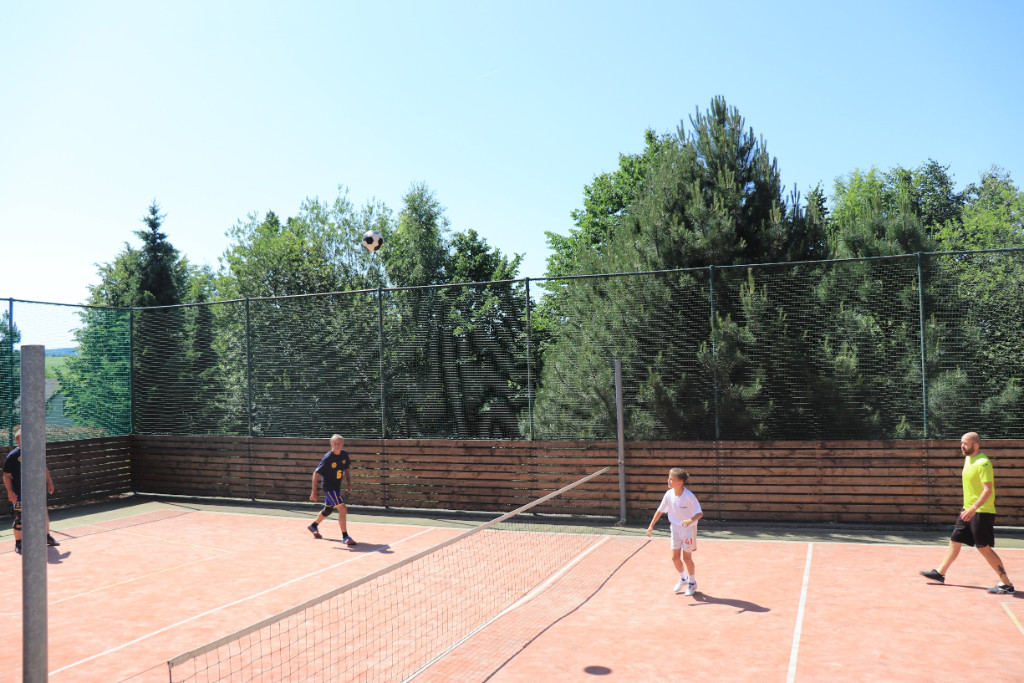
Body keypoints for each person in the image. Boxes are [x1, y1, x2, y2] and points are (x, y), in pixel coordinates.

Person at [920, 431, 1014, 594]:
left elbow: (987, 490)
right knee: (955, 540)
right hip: (967, 510)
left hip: (981, 511)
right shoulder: (968, 459)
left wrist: (973, 508)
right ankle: (940, 573)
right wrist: (968, 508)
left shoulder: (983, 463)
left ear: (975, 445)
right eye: (961, 443)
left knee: (984, 548)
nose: (962, 446)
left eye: (965, 443)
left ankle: (1007, 584)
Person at [647, 467, 703, 595]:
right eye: (669, 478)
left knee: (687, 558)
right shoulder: (668, 494)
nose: (668, 480)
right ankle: (683, 578)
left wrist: (690, 520)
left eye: (671, 479)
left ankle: (692, 583)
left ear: (680, 483)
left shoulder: (689, 496)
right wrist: (651, 526)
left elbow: (700, 513)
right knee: (674, 558)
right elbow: (660, 510)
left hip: (689, 530)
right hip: (675, 529)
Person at [4, 428, 60, 555]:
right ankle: (19, 543)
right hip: (19, 492)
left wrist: (50, 482)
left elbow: (43, 467)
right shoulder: (13, 456)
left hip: (35, 491)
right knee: (20, 518)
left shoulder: (35, 452)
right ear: (18, 440)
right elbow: (6, 475)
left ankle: (46, 537)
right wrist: (10, 492)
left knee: (43, 513)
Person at [307, 434, 356, 545]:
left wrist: (349, 483)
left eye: (339, 443)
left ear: (342, 444)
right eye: (335, 443)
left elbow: (346, 469)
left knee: (328, 510)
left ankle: (313, 526)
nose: (337, 445)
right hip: (329, 488)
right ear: (331, 444)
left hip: (336, 487)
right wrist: (314, 492)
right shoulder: (328, 458)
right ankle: (345, 537)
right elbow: (316, 474)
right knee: (343, 509)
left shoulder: (344, 454)